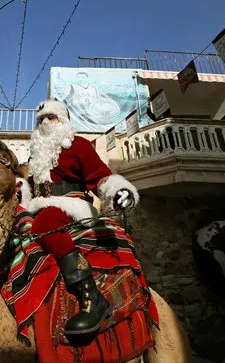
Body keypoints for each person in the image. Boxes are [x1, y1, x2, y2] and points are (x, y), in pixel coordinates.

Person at [18, 98, 139, 337]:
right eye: (41, 119)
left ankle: (92, 297)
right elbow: (30, 188)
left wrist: (119, 191)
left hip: (72, 206)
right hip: (38, 205)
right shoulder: (36, 156)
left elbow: (101, 177)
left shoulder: (79, 145)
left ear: (62, 120)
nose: (45, 123)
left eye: (51, 117)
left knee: (45, 223)